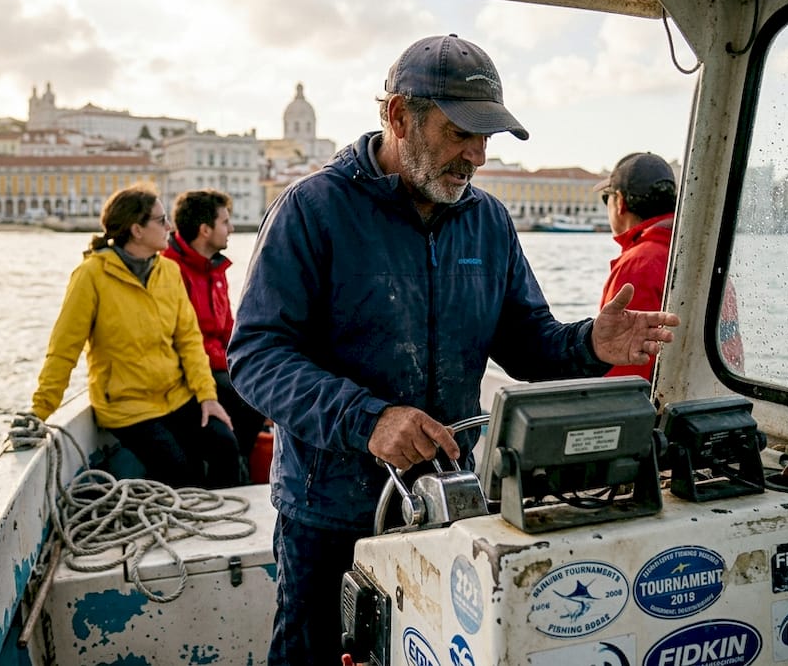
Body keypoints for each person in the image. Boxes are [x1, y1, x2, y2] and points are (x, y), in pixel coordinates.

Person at [226, 34, 680, 664]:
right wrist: (370, 420)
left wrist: (589, 343)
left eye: (486, 137)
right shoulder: (311, 210)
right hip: (327, 508)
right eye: (460, 132)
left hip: (445, 502)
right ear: (396, 116)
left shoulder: (488, 220)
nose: (477, 155)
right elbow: (256, 356)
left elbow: (529, 343)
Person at [30, 182, 240, 489]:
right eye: (161, 220)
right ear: (136, 230)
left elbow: (189, 341)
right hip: (127, 405)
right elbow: (64, 350)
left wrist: (207, 397)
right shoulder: (91, 276)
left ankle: (227, 529)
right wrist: (40, 410)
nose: (170, 226)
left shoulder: (167, 272)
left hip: (175, 396)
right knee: (181, 470)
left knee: (224, 444)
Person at [596, 152, 744, 381]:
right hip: (716, 405)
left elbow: (625, 375)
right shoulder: (702, 257)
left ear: (620, 203)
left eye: (607, 198)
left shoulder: (637, 265)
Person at [163, 188, 266, 480]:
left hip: (217, 362)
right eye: (225, 222)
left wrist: (248, 358)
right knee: (250, 396)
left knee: (260, 384)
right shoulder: (171, 270)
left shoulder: (215, 269)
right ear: (205, 230)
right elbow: (183, 338)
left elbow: (228, 330)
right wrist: (231, 363)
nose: (231, 228)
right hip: (192, 368)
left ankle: (241, 464)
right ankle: (236, 470)